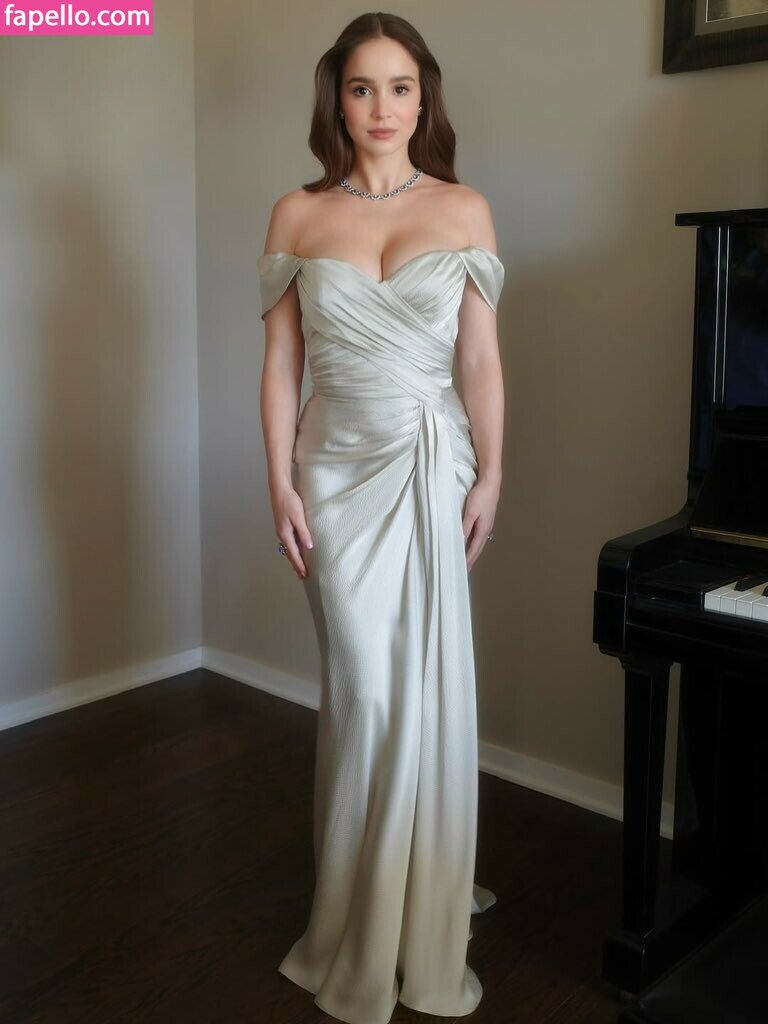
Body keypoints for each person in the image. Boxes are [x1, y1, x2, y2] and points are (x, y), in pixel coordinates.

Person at [258, 11, 505, 1024]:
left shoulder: (465, 208)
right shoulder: (297, 212)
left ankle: (420, 904)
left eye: (401, 87)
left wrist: (493, 473)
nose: (382, 108)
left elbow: (479, 357)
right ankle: (356, 913)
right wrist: (277, 481)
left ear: (424, 96)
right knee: (363, 689)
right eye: (362, 88)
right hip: (332, 475)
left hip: (435, 464)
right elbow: (283, 360)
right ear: (337, 98)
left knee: (425, 688)